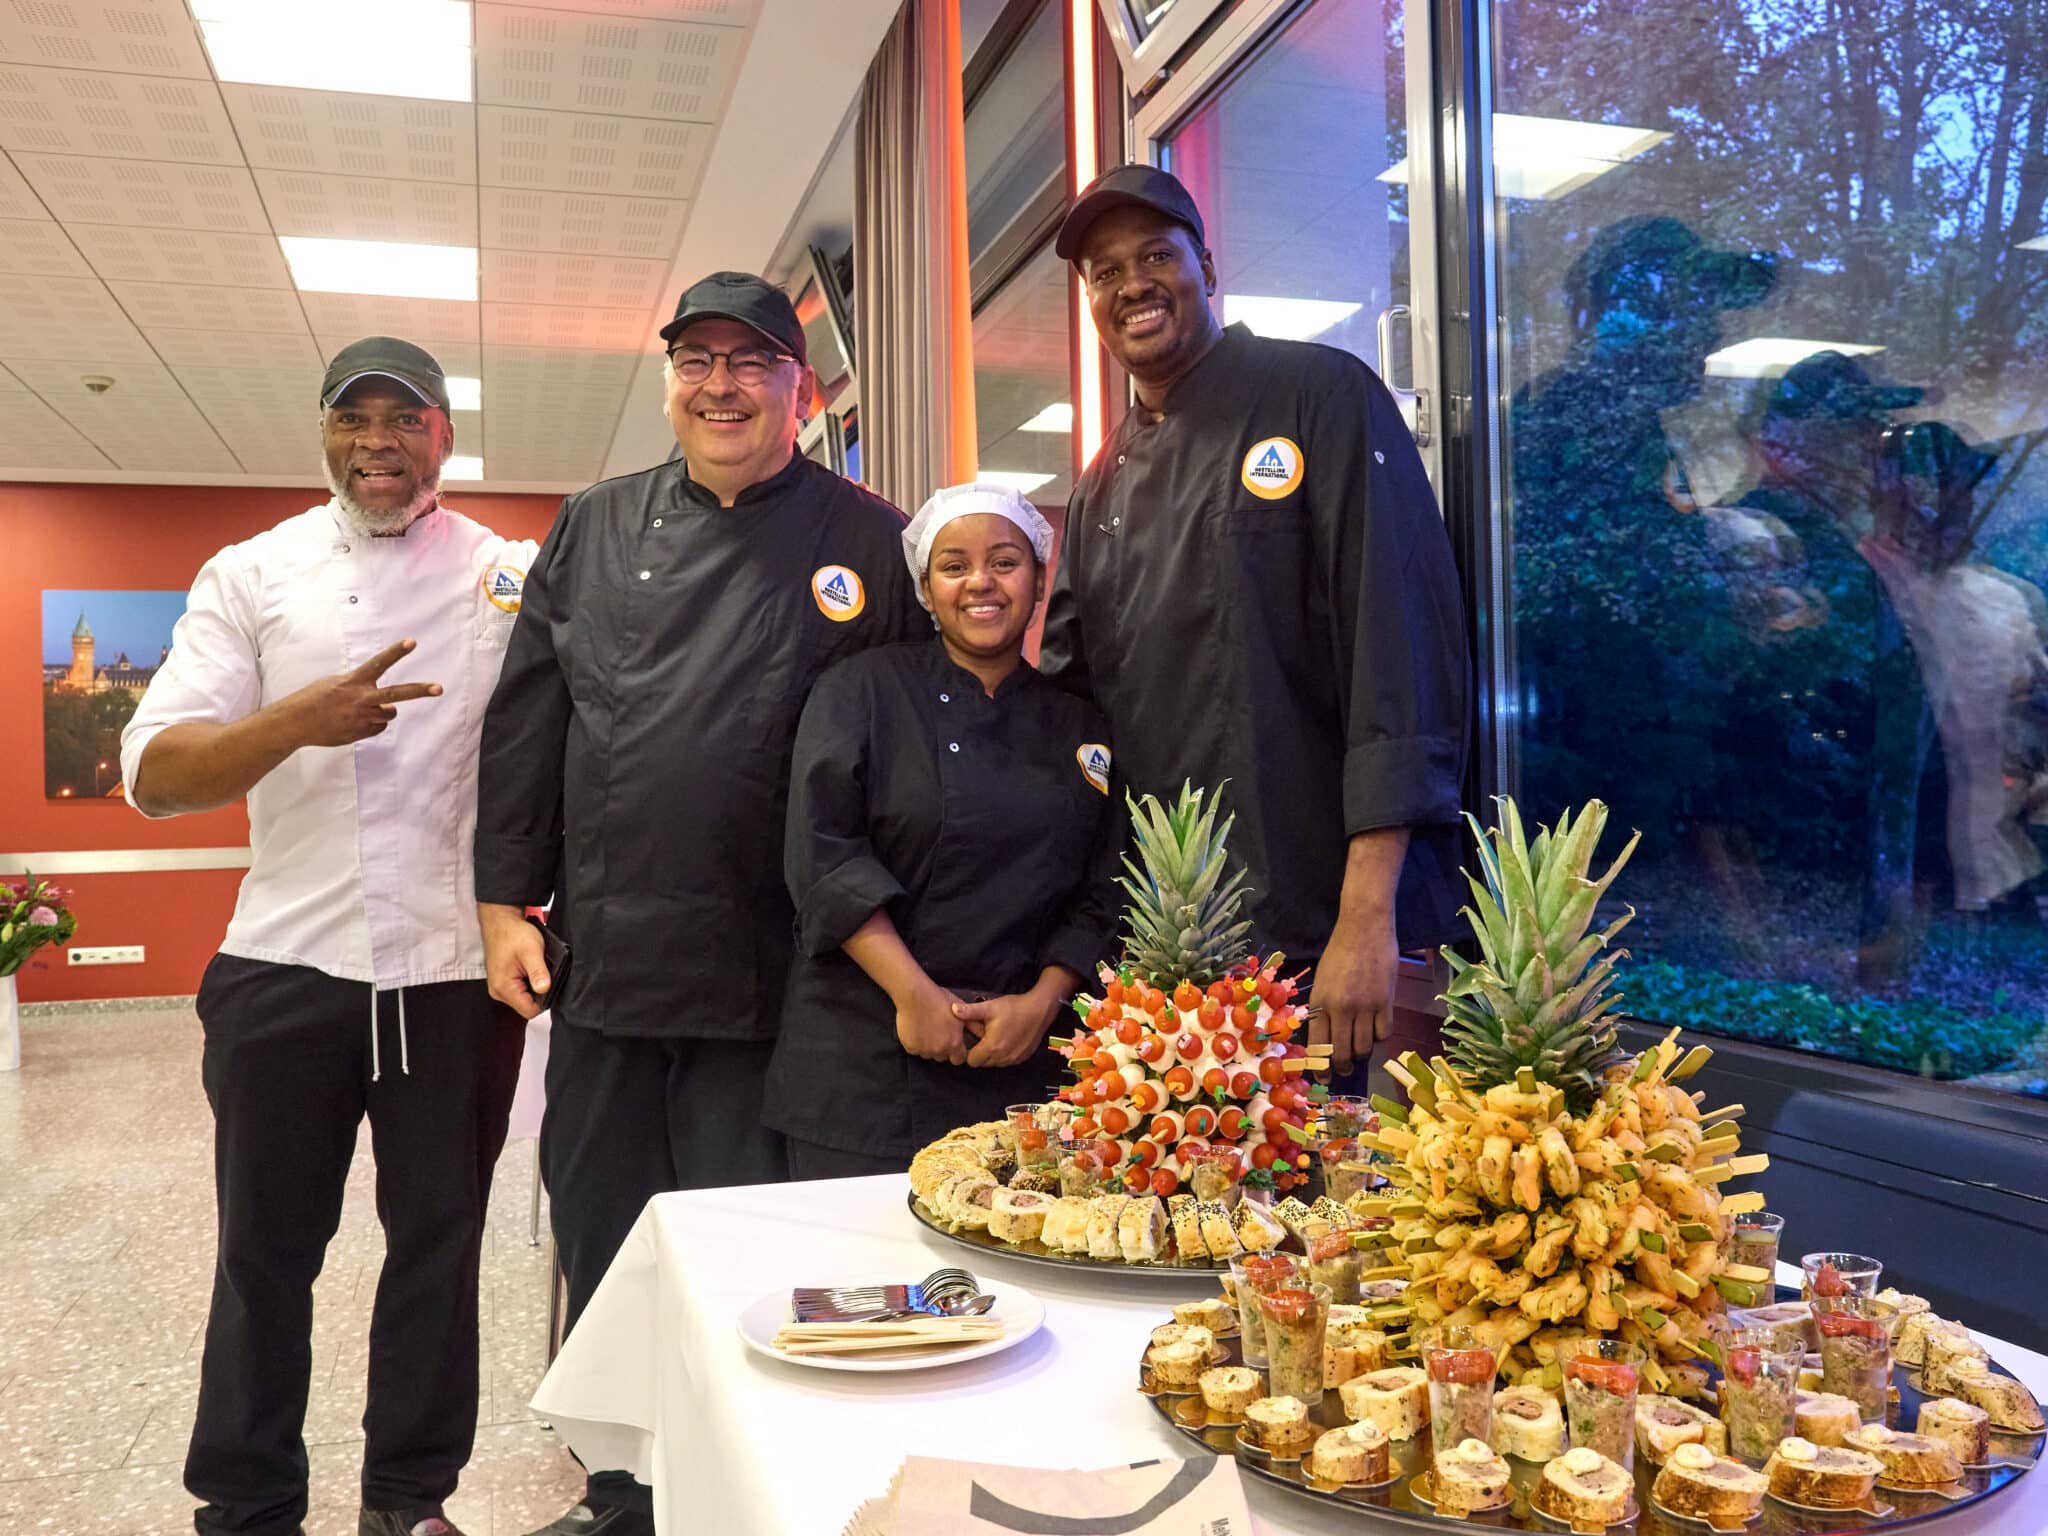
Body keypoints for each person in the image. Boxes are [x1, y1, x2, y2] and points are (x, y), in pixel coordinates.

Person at [474, 272, 926, 1536]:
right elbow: (529, 720)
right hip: (610, 960)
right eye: (696, 361)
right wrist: (505, 903)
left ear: (801, 388)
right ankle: (620, 1489)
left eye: (750, 362)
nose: (720, 386)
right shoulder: (593, 524)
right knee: (606, 1229)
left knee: (754, 1248)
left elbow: (903, 762)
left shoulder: (870, 541)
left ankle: (742, 1496)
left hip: (784, 977)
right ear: (670, 381)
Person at [119, 338, 530, 1536]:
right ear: (325, 433)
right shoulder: (254, 573)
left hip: (453, 976)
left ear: (444, 435)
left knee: (438, 1250)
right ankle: (246, 1504)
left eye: (405, 419)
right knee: (263, 1256)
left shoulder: (507, 574)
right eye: (354, 419)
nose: (377, 442)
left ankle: (408, 1501)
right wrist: (295, 719)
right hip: (283, 968)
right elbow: (155, 777)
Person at [1039, 164, 1469, 1077]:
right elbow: (1072, 715)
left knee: (1310, 1167)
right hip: (1160, 947)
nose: (1133, 284)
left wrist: (1367, 916)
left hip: (1312, 932)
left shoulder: (1320, 395)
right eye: (1106, 273)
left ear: (1206, 265)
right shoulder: (1100, 486)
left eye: (1156, 256)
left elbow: (1399, 652)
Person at [768, 482, 1115, 1176]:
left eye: (1005, 562)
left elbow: (1103, 888)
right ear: (926, 590)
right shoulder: (860, 690)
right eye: (955, 566)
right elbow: (824, 856)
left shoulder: (1080, 724)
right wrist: (914, 996)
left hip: (1024, 1068)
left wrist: (1042, 1003)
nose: (981, 582)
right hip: (865, 1064)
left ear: (1038, 581)